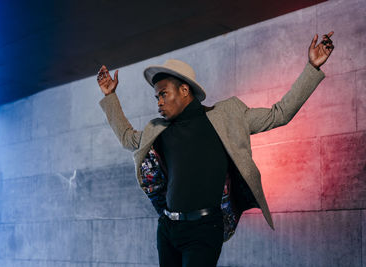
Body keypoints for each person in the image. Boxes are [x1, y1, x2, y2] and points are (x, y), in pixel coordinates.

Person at [96, 32, 334, 267]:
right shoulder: (158, 130)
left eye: (163, 94)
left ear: (184, 90)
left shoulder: (226, 117)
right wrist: (110, 96)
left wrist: (312, 68)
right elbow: (128, 139)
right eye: (156, 96)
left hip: (205, 229)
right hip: (168, 230)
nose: (158, 101)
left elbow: (278, 114)